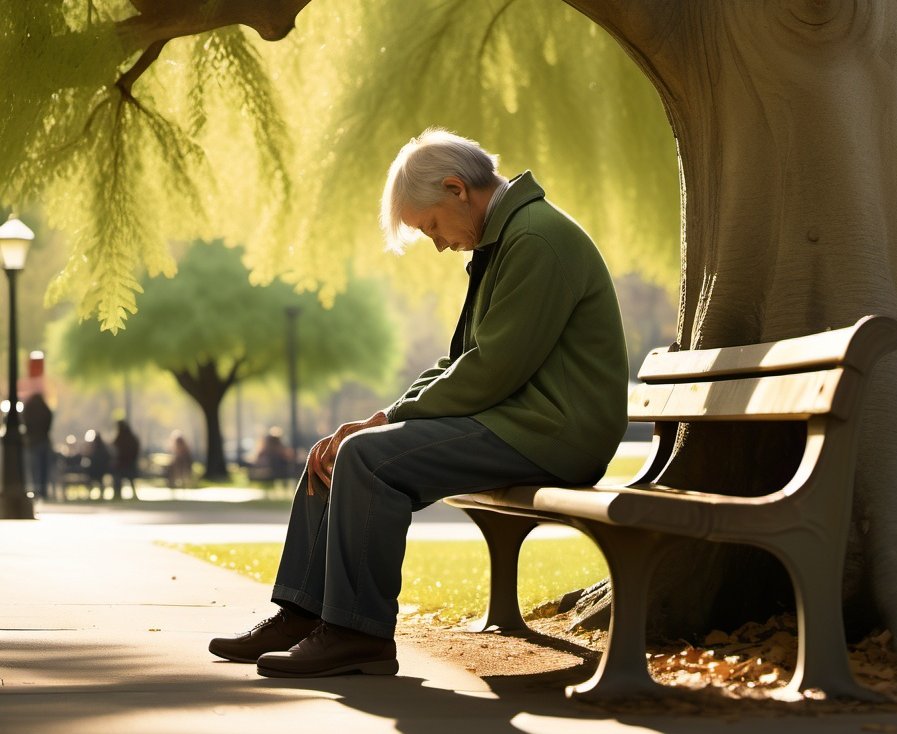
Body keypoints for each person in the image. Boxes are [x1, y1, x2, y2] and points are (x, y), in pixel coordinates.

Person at [209, 128, 629, 678]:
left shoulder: (535, 240)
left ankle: (357, 634)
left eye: (430, 225)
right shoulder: (506, 240)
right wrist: (381, 418)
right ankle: (302, 614)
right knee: (335, 452)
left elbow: (491, 369)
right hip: (519, 420)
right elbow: (463, 361)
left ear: (457, 189)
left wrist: (385, 426)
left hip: (557, 431)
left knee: (365, 458)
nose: (437, 242)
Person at [22, 392, 54, 500]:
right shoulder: (45, 408)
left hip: (33, 442)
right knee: (44, 468)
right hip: (44, 441)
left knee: (35, 468)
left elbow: (25, 421)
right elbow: (49, 420)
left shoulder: (28, 408)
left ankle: (37, 489)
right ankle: (43, 491)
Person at [111, 419, 141, 500]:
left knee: (118, 478)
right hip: (130, 464)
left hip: (123, 465)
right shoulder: (132, 438)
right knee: (130, 481)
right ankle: (121, 494)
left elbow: (114, 449)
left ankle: (117, 494)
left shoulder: (120, 438)